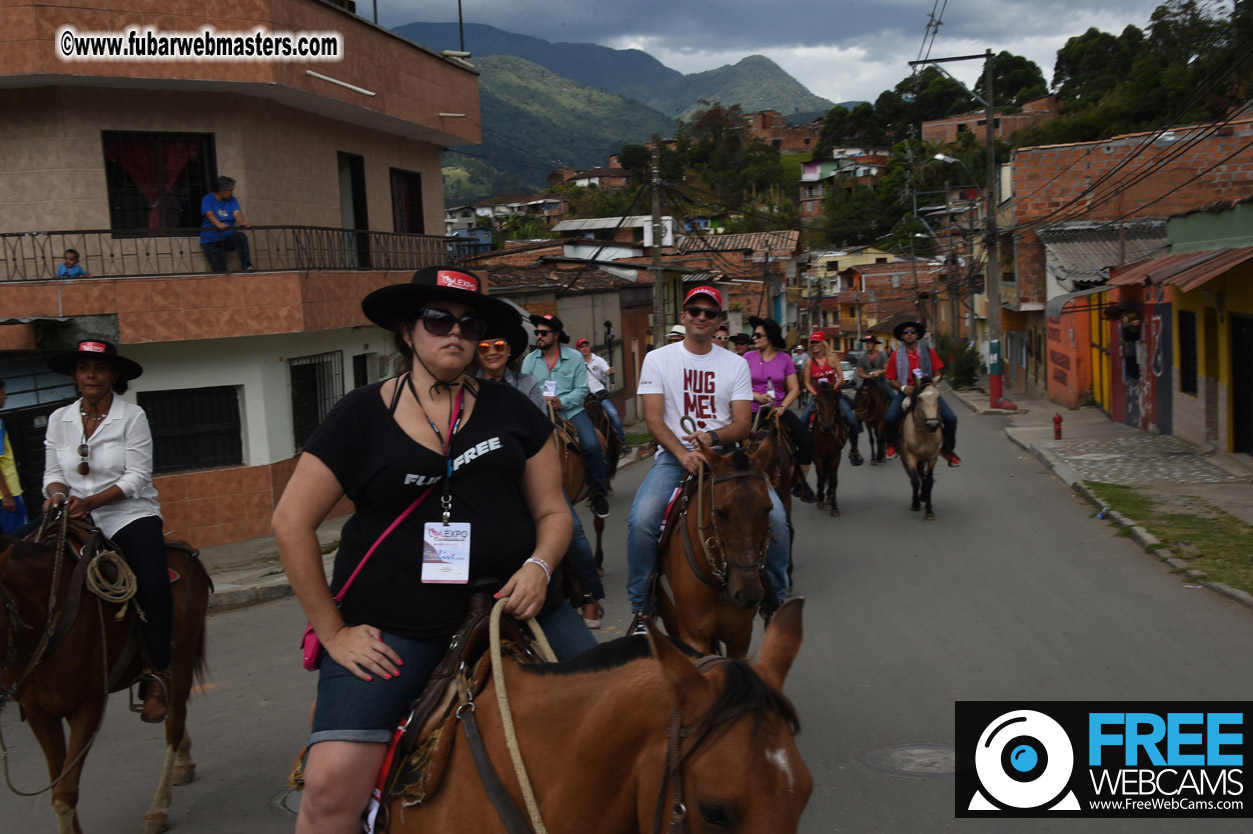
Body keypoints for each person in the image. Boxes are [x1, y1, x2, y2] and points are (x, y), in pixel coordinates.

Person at [274, 266, 596, 834]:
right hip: (398, 626)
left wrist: (540, 567)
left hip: (517, 608)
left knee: (618, 726)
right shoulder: (359, 415)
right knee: (327, 792)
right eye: (438, 319)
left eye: (470, 325)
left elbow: (553, 512)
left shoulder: (512, 409)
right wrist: (333, 632)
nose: (455, 333)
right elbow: (290, 522)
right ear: (407, 330)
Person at [625, 287, 793, 634]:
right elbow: (654, 420)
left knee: (777, 518)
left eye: (710, 312)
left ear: (719, 321)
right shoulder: (657, 359)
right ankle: (642, 610)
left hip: (727, 461)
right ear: (684, 316)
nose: (701, 317)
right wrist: (682, 453)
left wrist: (713, 438)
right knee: (641, 520)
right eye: (695, 310)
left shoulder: (735, 364)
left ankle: (775, 600)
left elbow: (742, 423)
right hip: (675, 459)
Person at [41, 340, 171, 722]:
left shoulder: (132, 416)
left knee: (153, 584)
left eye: (99, 369)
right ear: (74, 375)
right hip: (72, 515)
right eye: (84, 368)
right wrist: (57, 495)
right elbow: (52, 473)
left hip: (128, 513)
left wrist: (91, 502)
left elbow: (137, 476)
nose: (91, 375)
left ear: (114, 375)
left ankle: (156, 676)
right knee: (18, 562)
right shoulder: (59, 419)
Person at [478, 326, 605, 629]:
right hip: (486, 476)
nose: (492, 351)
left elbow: (534, 428)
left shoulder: (526, 383)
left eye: (498, 344)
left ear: (509, 350)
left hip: (529, 470)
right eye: (484, 347)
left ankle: (589, 594)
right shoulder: (470, 387)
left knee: (571, 528)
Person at [521, 315, 611, 519]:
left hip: (571, 412)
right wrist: (539, 400)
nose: (539, 336)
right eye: (537, 332)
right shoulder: (530, 360)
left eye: (543, 333)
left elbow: (582, 389)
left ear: (556, 335)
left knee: (592, 445)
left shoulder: (575, 357)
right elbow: (524, 389)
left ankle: (598, 493)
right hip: (539, 414)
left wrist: (562, 401)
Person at [745, 316, 817, 503]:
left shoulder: (785, 359)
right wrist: (756, 395)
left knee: (807, 441)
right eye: (753, 335)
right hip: (753, 410)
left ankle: (799, 483)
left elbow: (794, 389)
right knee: (733, 443)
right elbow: (738, 386)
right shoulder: (747, 357)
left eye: (758, 335)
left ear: (769, 337)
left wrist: (783, 407)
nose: (754, 338)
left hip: (777, 410)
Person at [883, 321, 961, 466]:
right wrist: (902, 388)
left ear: (917, 335)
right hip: (907, 392)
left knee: (951, 419)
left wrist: (932, 384)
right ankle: (891, 445)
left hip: (927, 393)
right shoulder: (895, 355)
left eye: (912, 332)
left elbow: (938, 371)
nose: (909, 334)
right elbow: (891, 379)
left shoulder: (928, 352)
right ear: (902, 336)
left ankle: (947, 450)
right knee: (890, 418)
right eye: (906, 332)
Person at [800, 332, 863, 466]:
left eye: (817, 342)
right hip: (819, 397)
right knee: (803, 419)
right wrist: (815, 394)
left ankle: (854, 450)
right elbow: (807, 383)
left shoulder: (833, 358)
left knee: (852, 421)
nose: (814, 345)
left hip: (834, 394)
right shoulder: (809, 363)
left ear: (823, 344)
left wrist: (834, 388)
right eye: (812, 342)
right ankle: (803, 449)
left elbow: (840, 376)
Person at [575, 337, 626, 447]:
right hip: (584, 396)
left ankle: (622, 441)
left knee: (613, 413)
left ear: (589, 347)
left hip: (599, 394)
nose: (584, 349)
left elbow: (606, 370)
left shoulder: (598, 360)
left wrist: (610, 372)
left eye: (586, 346)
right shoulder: (576, 363)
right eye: (581, 347)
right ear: (578, 349)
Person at [200, 176, 255, 273]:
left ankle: (247, 266)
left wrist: (241, 222)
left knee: (240, 237)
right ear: (221, 190)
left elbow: (236, 212)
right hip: (211, 239)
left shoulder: (232, 199)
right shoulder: (207, 199)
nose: (231, 193)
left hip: (228, 236)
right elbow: (209, 214)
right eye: (230, 190)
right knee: (220, 271)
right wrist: (218, 224)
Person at [0, 380, 29, 535]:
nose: (6, 396)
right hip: (7, 493)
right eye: (2, 393)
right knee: (19, 537)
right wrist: (7, 495)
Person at [855, 334, 892, 402]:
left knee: (892, 395)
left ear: (874, 344)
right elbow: (860, 373)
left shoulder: (882, 355)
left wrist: (879, 372)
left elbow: (887, 369)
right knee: (858, 396)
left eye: (870, 343)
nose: (867, 345)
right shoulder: (862, 358)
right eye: (866, 343)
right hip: (868, 381)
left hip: (881, 379)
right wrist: (869, 376)